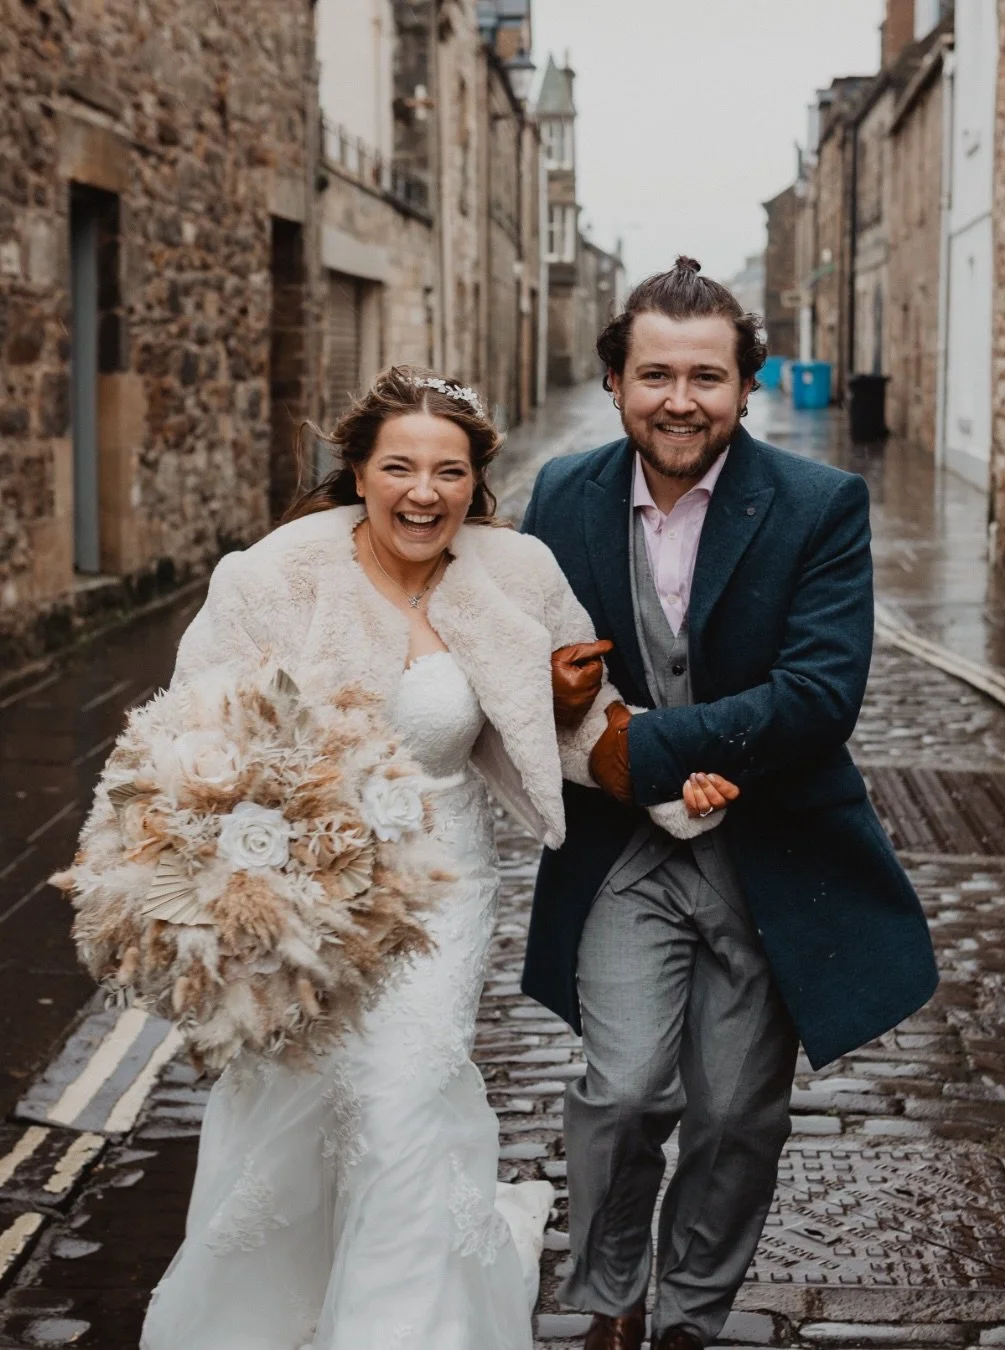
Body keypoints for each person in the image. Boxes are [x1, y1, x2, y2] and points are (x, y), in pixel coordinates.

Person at [138, 365, 722, 1350]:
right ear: (359, 473)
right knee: (295, 1116)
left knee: (406, 1100)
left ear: (475, 482)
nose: (424, 492)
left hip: (441, 896)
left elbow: (582, 718)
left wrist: (667, 780)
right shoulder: (275, 577)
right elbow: (190, 739)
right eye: (399, 467)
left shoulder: (516, 574)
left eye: (448, 472)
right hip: (301, 902)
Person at [526, 259, 939, 1350]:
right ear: (614, 380)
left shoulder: (817, 505)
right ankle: (612, 1294)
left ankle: (688, 1322)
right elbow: (524, 664)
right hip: (623, 859)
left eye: (706, 376)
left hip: (768, 857)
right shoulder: (561, 495)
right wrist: (565, 705)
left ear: (744, 386)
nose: (679, 399)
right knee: (619, 1094)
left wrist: (641, 748)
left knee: (734, 1116)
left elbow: (817, 695)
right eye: (654, 373)